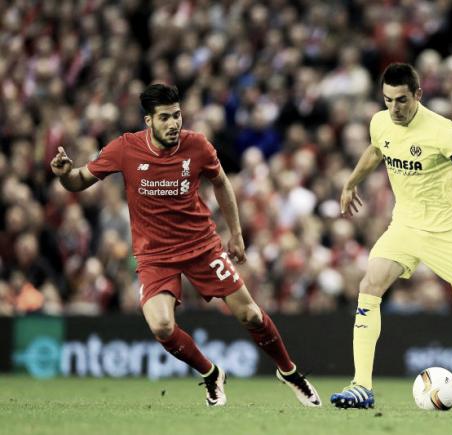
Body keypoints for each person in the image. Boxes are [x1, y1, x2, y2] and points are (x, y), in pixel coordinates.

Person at [50, 84, 321, 408]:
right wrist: (65, 175)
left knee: (250, 314)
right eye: (165, 117)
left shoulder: (197, 146)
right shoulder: (125, 148)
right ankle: (211, 373)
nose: (173, 123)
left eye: (177, 115)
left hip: (201, 246)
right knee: (162, 326)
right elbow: (79, 180)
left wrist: (235, 234)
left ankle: (289, 372)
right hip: (154, 256)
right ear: (149, 121)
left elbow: (220, 182)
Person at [330, 63, 452, 409]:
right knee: (369, 285)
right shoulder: (380, 122)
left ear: (418, 95)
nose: (394, 108)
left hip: (450, 231)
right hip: (405, 225)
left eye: (402, 100)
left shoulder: (441, 130)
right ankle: (361, 385)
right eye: (388, 100)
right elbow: (376, 150)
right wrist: (350, 183)